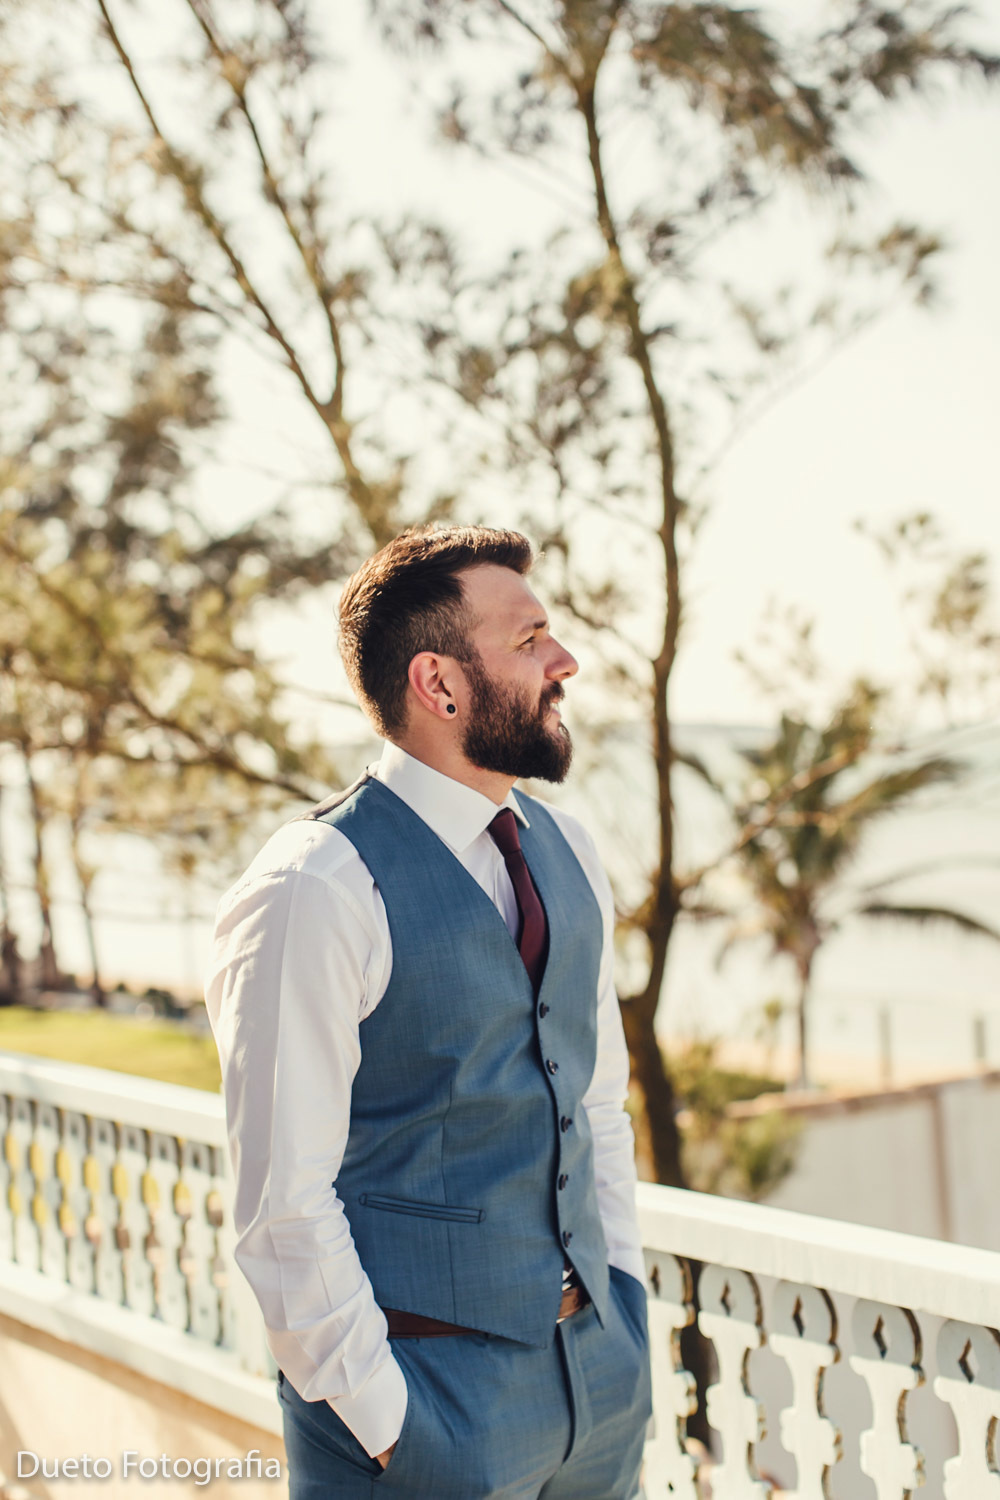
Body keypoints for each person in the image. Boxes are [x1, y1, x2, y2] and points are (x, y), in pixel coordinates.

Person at [205, 525, 652, 1499]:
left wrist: (624, 1308)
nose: (564, 660)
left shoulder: (567, 850)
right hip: (423, 1414)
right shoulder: (315, 885)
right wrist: (387, 1422)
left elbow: (596, 1108)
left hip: (597, 1391)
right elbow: (282, 1200)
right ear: (439, 685)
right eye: (530, 638)